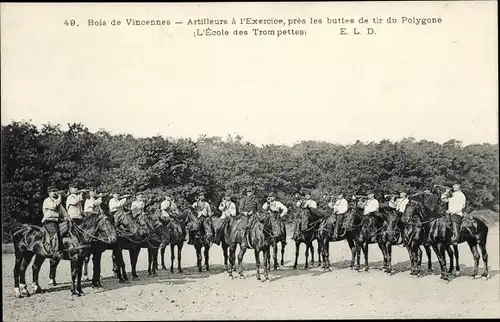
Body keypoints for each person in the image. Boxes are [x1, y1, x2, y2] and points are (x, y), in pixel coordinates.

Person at [42, 186, 65, 257]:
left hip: (56, 221)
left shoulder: (57, 201)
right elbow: (54, 206)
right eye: (53, 191)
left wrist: (67, 218)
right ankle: (55, 251)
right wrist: (60, 197)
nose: (55, 193)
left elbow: (62, 212)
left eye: (56, 191)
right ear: (49, 193)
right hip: (49, 221)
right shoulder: (47, 200)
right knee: (54, 234)